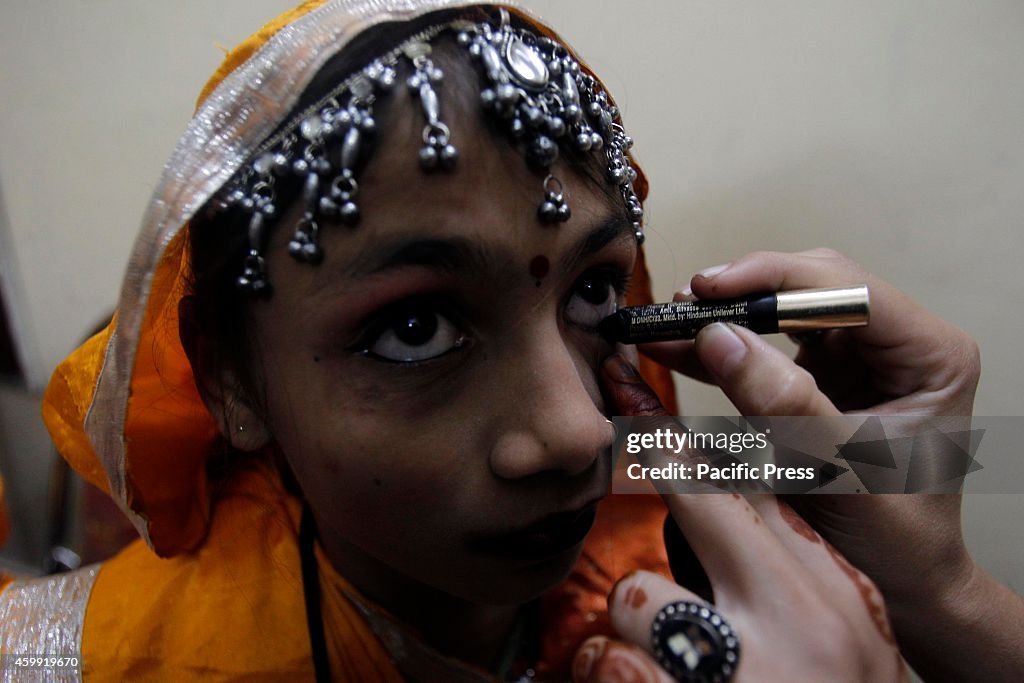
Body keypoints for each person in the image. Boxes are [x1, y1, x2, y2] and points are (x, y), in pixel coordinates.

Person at [0, 1, 1018, 682]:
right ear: (229, 380)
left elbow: (907, 481)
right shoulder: (91, 659)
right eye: (415, 326)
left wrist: (945, 591)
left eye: (590, 290)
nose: (578, 432)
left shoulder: (680, 526)